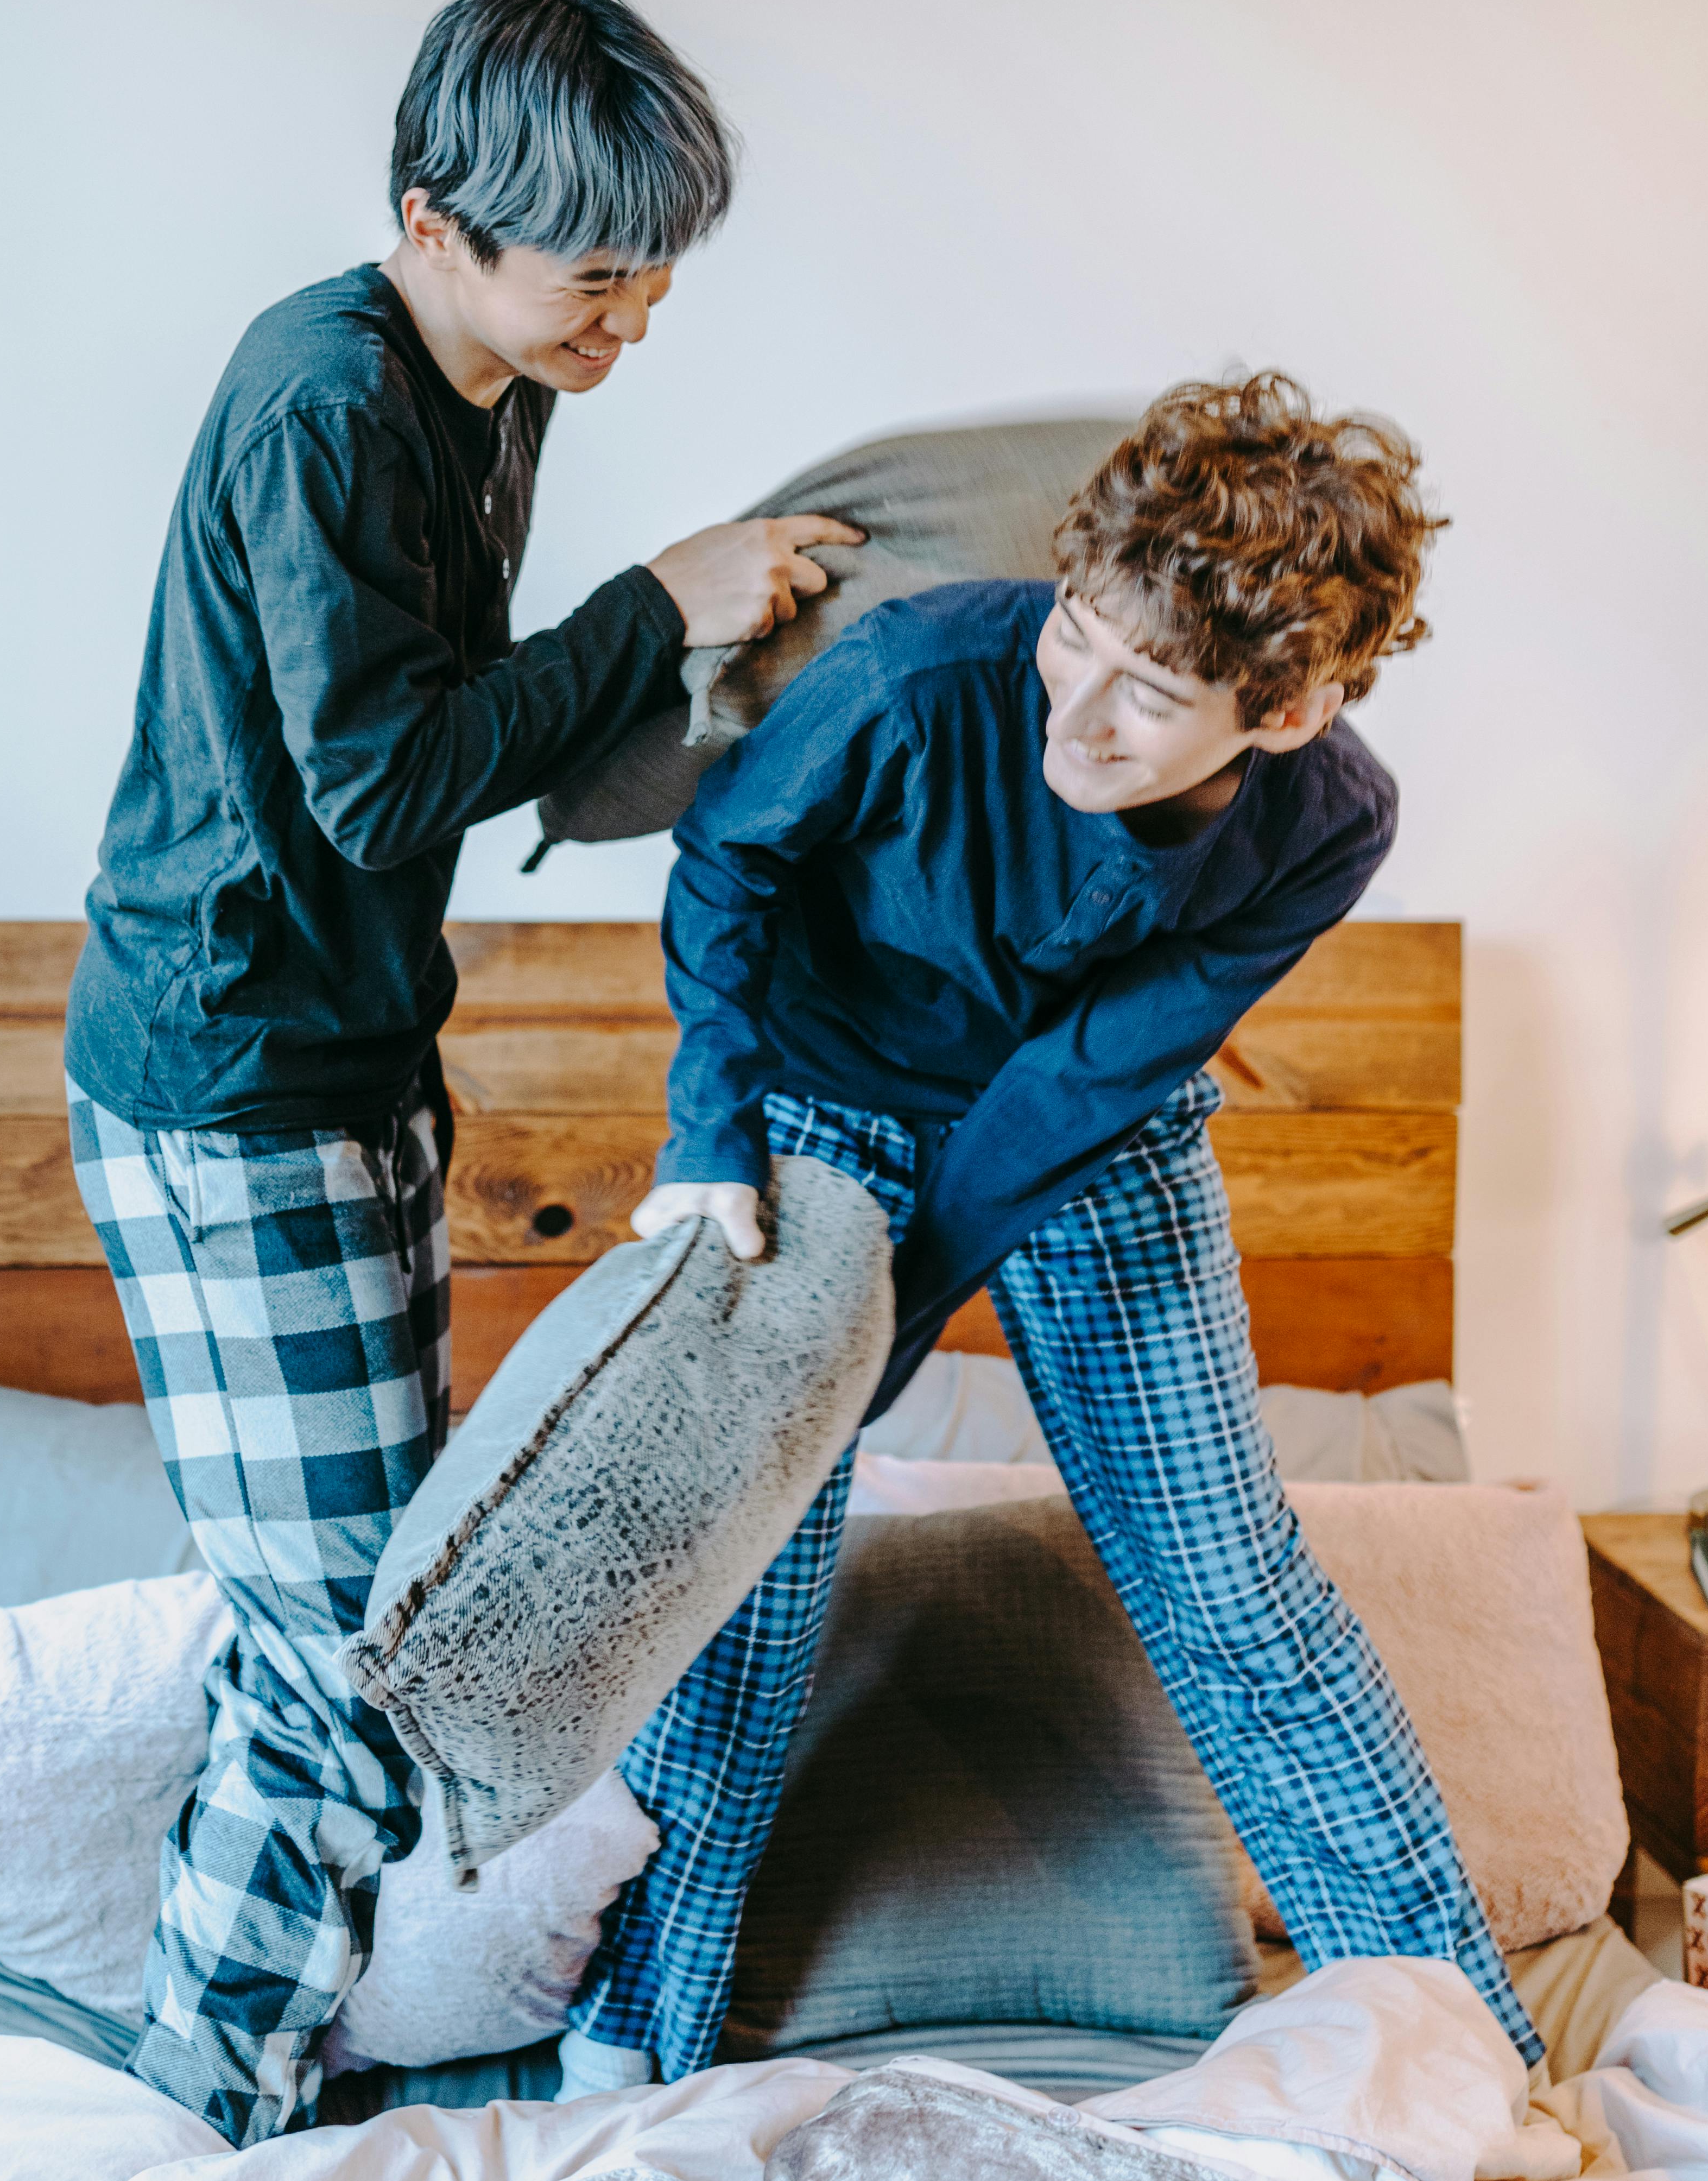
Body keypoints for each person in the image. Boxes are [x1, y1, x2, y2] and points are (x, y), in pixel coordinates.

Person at [65, 0, 857, 2145]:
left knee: (339, 1630)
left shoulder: (486, 378)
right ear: (434, 215)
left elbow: (468, 714)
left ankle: (234, 2083)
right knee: (352, 1676)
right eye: (601, 278)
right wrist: (645, 600)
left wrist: (712, 646)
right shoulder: (328, 398)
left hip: (350, 1058)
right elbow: (379, 779)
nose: (633, 326)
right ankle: (189, 2146)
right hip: (230, 1080)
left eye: (656, 278)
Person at [573, 372, 1543, 2090]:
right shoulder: (913, 672)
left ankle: (1461, 2049)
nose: (1072, 712)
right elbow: (724, 862)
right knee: (748, 1591)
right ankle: (624, 2066)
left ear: (1294, 704)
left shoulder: (1334, 821)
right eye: (1074, 637)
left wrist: (884, 1324)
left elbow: (1086, 1079)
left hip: (1096, 1127)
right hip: (820, 1098)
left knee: (1234, 1592)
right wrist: (713, 1130)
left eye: (1146, 694)